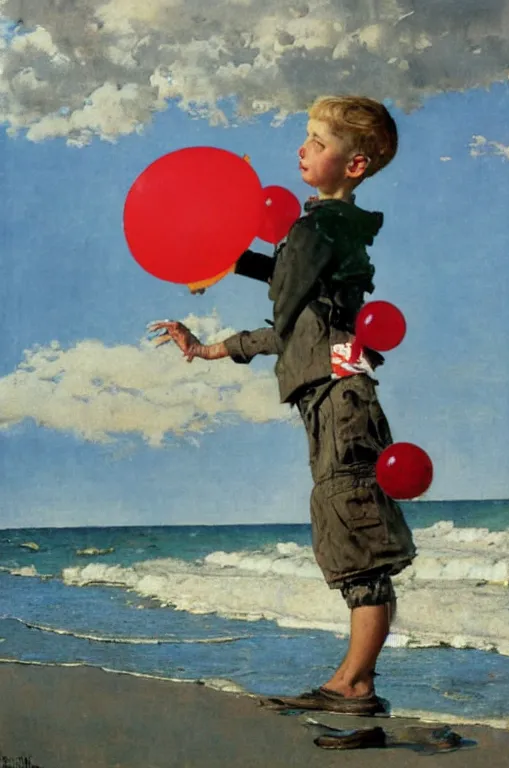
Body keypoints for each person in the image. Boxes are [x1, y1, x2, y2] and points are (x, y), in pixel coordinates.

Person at [148, 95, 417, 715]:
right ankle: (355, 682)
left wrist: (217, 251)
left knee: (355, 532)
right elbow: (297, 327)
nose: (303, 149)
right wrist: (211, 347)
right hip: (330, 394)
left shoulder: (321, 227)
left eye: (318, 142)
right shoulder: (325, 233)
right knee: (345, 527)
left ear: (354, 166)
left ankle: (355, 684)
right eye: (306, 137)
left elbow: (286, 300)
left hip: (341, 399)